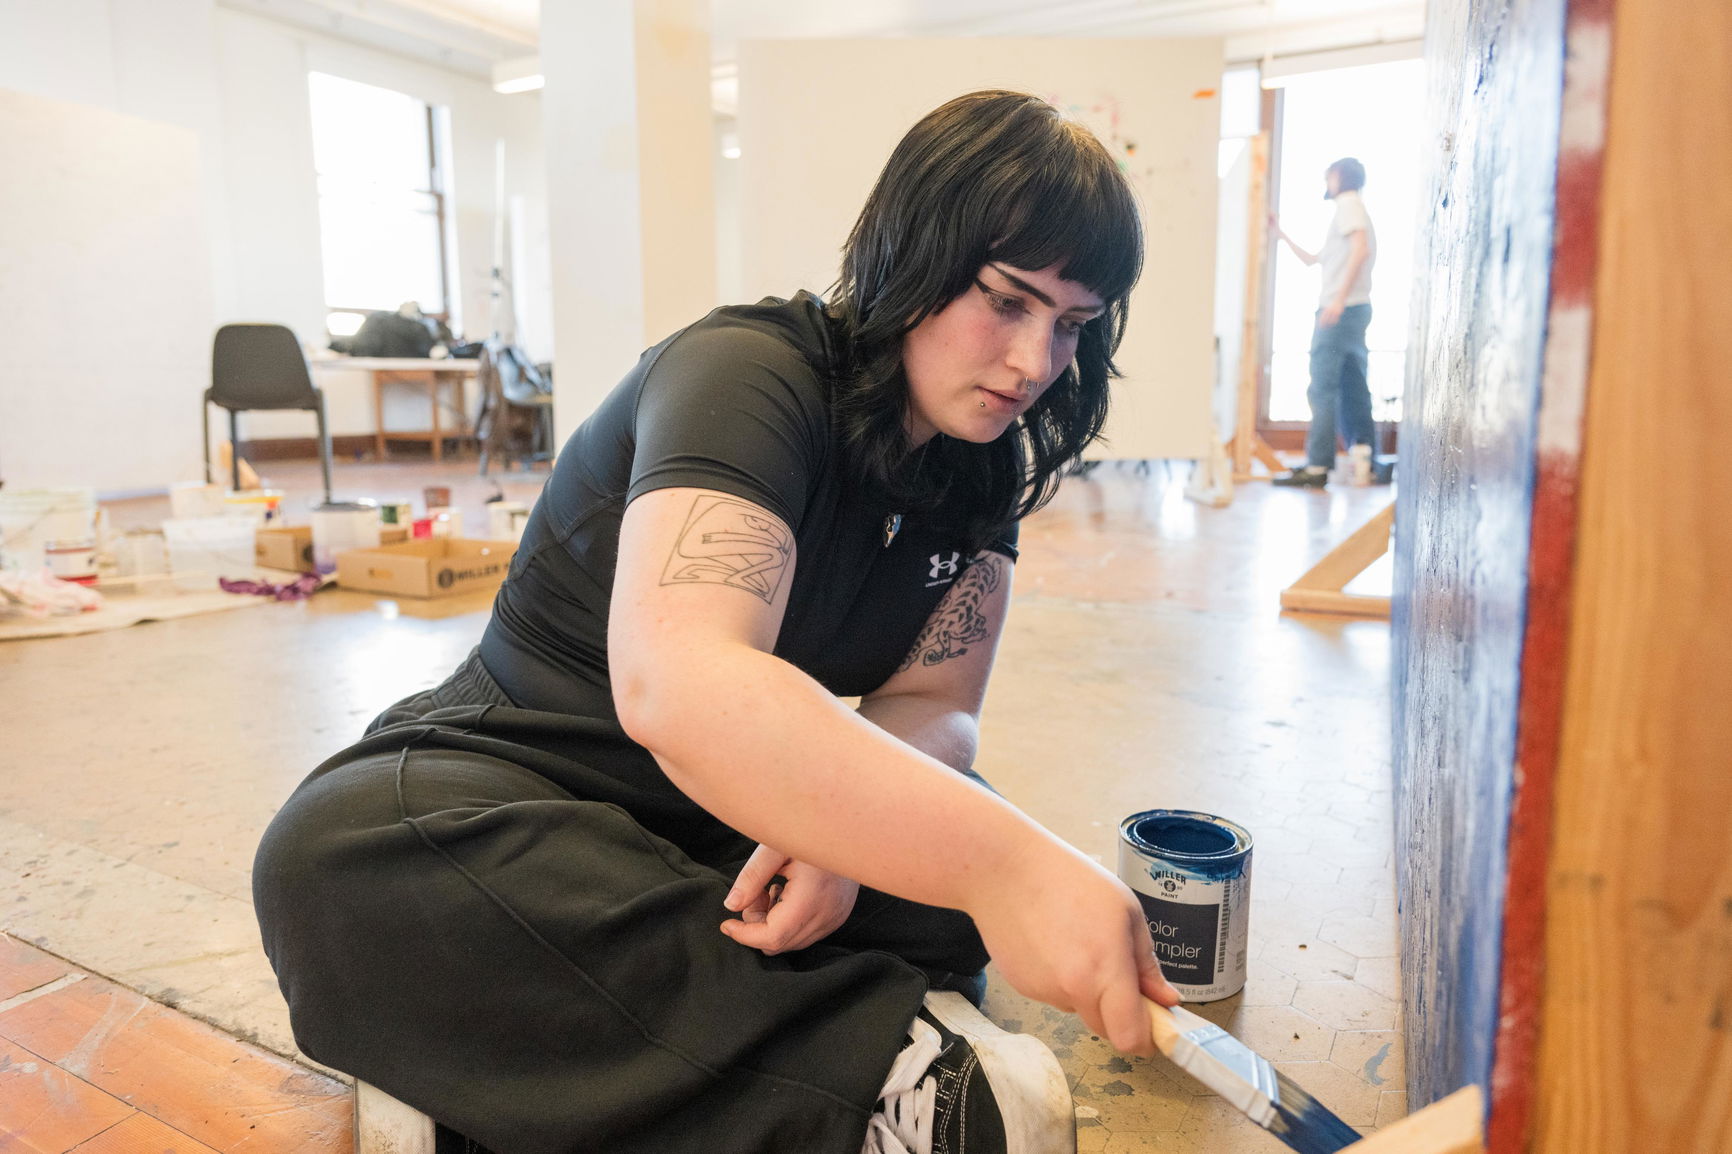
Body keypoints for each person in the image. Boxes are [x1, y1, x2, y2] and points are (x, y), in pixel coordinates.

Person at [252, 90, 1180, 1154]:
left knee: (937, 876)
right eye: (1008, 302)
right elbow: (679, 682)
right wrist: (1002, 863)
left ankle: (531, 1060)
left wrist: (838, 820)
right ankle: (890, 1077)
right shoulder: (752, 373)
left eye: (1071, 324)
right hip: (535, 777)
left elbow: (933, 704)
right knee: (338, 856)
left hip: (731, 823)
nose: (1034, 363)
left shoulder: (981, 467)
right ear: (915, 253)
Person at [1268, 156, 1378, 488]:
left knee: (1322, 388)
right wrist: (1281, 234)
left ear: (1340, 177)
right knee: (1353, 385)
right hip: (1353, 309)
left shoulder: (1348, 205)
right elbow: (1313, 260)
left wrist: (1337, 301)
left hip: (1340, 310)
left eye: (1329, 176)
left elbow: (1360, 251)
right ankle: (1365, 456)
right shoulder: (1352, 211)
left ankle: (1318, 466)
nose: (1326, 182)